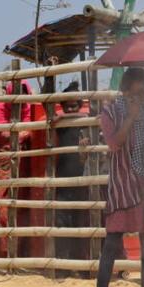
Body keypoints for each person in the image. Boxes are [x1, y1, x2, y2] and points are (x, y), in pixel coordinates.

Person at [95, 68, 144, 287]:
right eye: (138, 88)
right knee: (111, 243)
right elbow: (113, 143)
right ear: (127, 88)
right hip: (122, 186)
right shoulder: (110, 111)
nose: (142, 93)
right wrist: (130, 117)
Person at [0, 80, 46, 259]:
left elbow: (32, 128)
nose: (20, 99)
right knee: (2, 208)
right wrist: (23, 133)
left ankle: (23, 253)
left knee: (23, 206)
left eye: (23, 94)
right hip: (2, 163)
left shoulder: (29, 108)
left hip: (24, 163)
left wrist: (18, 133)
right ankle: (4, 253)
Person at [50, 81, 91, 268]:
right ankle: (63, 265)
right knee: (62, 221)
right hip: (63, 178)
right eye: (67, 106)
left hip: (82, 180)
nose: (71, 109)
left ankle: (80, 265)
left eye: (74, 106)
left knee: (80, 222)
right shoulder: (62, 124)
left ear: (80, 106)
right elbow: (49, 110)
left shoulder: (88, 123)